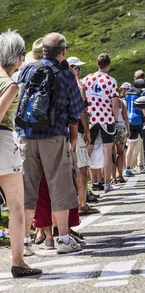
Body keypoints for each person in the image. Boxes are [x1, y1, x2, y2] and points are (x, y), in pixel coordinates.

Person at [17, 32, 84, 255]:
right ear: (63, 52)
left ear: (42, 50)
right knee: (60, 186)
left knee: (28, 189)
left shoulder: (26, 70)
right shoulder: (65, 75)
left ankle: (25, 242)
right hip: (54, 137)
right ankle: (63, 239)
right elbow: (75, 109)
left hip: (26, 136)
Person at [0, 30, 42, 278]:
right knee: (15, 206)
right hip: (3, 143)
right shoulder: (10, 84)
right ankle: (18, 261)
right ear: (17, 57)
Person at [83, 53, 120, 193]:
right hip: (106, 118)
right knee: (107, 151)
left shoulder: (87, 79)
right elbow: (115, 104)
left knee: (88, 149)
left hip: (91, 118)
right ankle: (107, 183)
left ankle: (85, 183)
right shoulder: (111, 81)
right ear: (108, 65)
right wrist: (116, 119)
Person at [67, 56, 98, 215]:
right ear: (70, 68)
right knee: (82, 168)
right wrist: (87, 132)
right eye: (76, 68)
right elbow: (82, 113)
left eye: (79, 68)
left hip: (62, 132)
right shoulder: (76, 88)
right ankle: (81, 203)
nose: (79, 71)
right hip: (75, 131)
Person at [124, 74, 145, 176]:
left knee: (130, 146)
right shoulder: (141, 92)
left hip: (130, 120)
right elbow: (144, 108)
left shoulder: (128, 92)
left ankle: (128, 169)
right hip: (140, 120)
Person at [113, 85, 130, 183]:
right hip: (120, 127)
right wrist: (128, 129)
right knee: (120, 152)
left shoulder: (106, 102)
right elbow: (125, 117)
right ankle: (120, 175)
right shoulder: (121, 102)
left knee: (111, 153)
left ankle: (112, 177)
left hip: (110, 127)